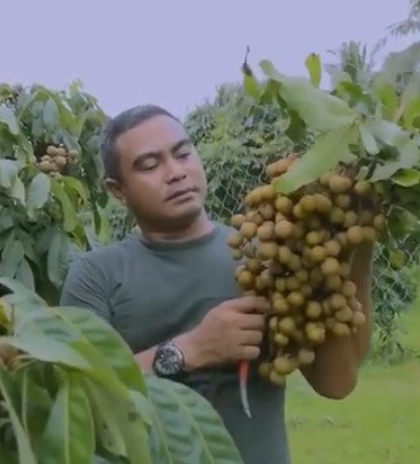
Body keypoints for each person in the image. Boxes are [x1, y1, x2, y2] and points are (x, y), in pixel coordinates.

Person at [60, 104, 375, 464]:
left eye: (183, 153)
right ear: (118, 191)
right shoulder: (95, 274)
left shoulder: (268, 256)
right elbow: (79, 399)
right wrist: (189, 350)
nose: (176, 172)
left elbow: (336, 383)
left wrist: (359, 243)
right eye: (150, 165)